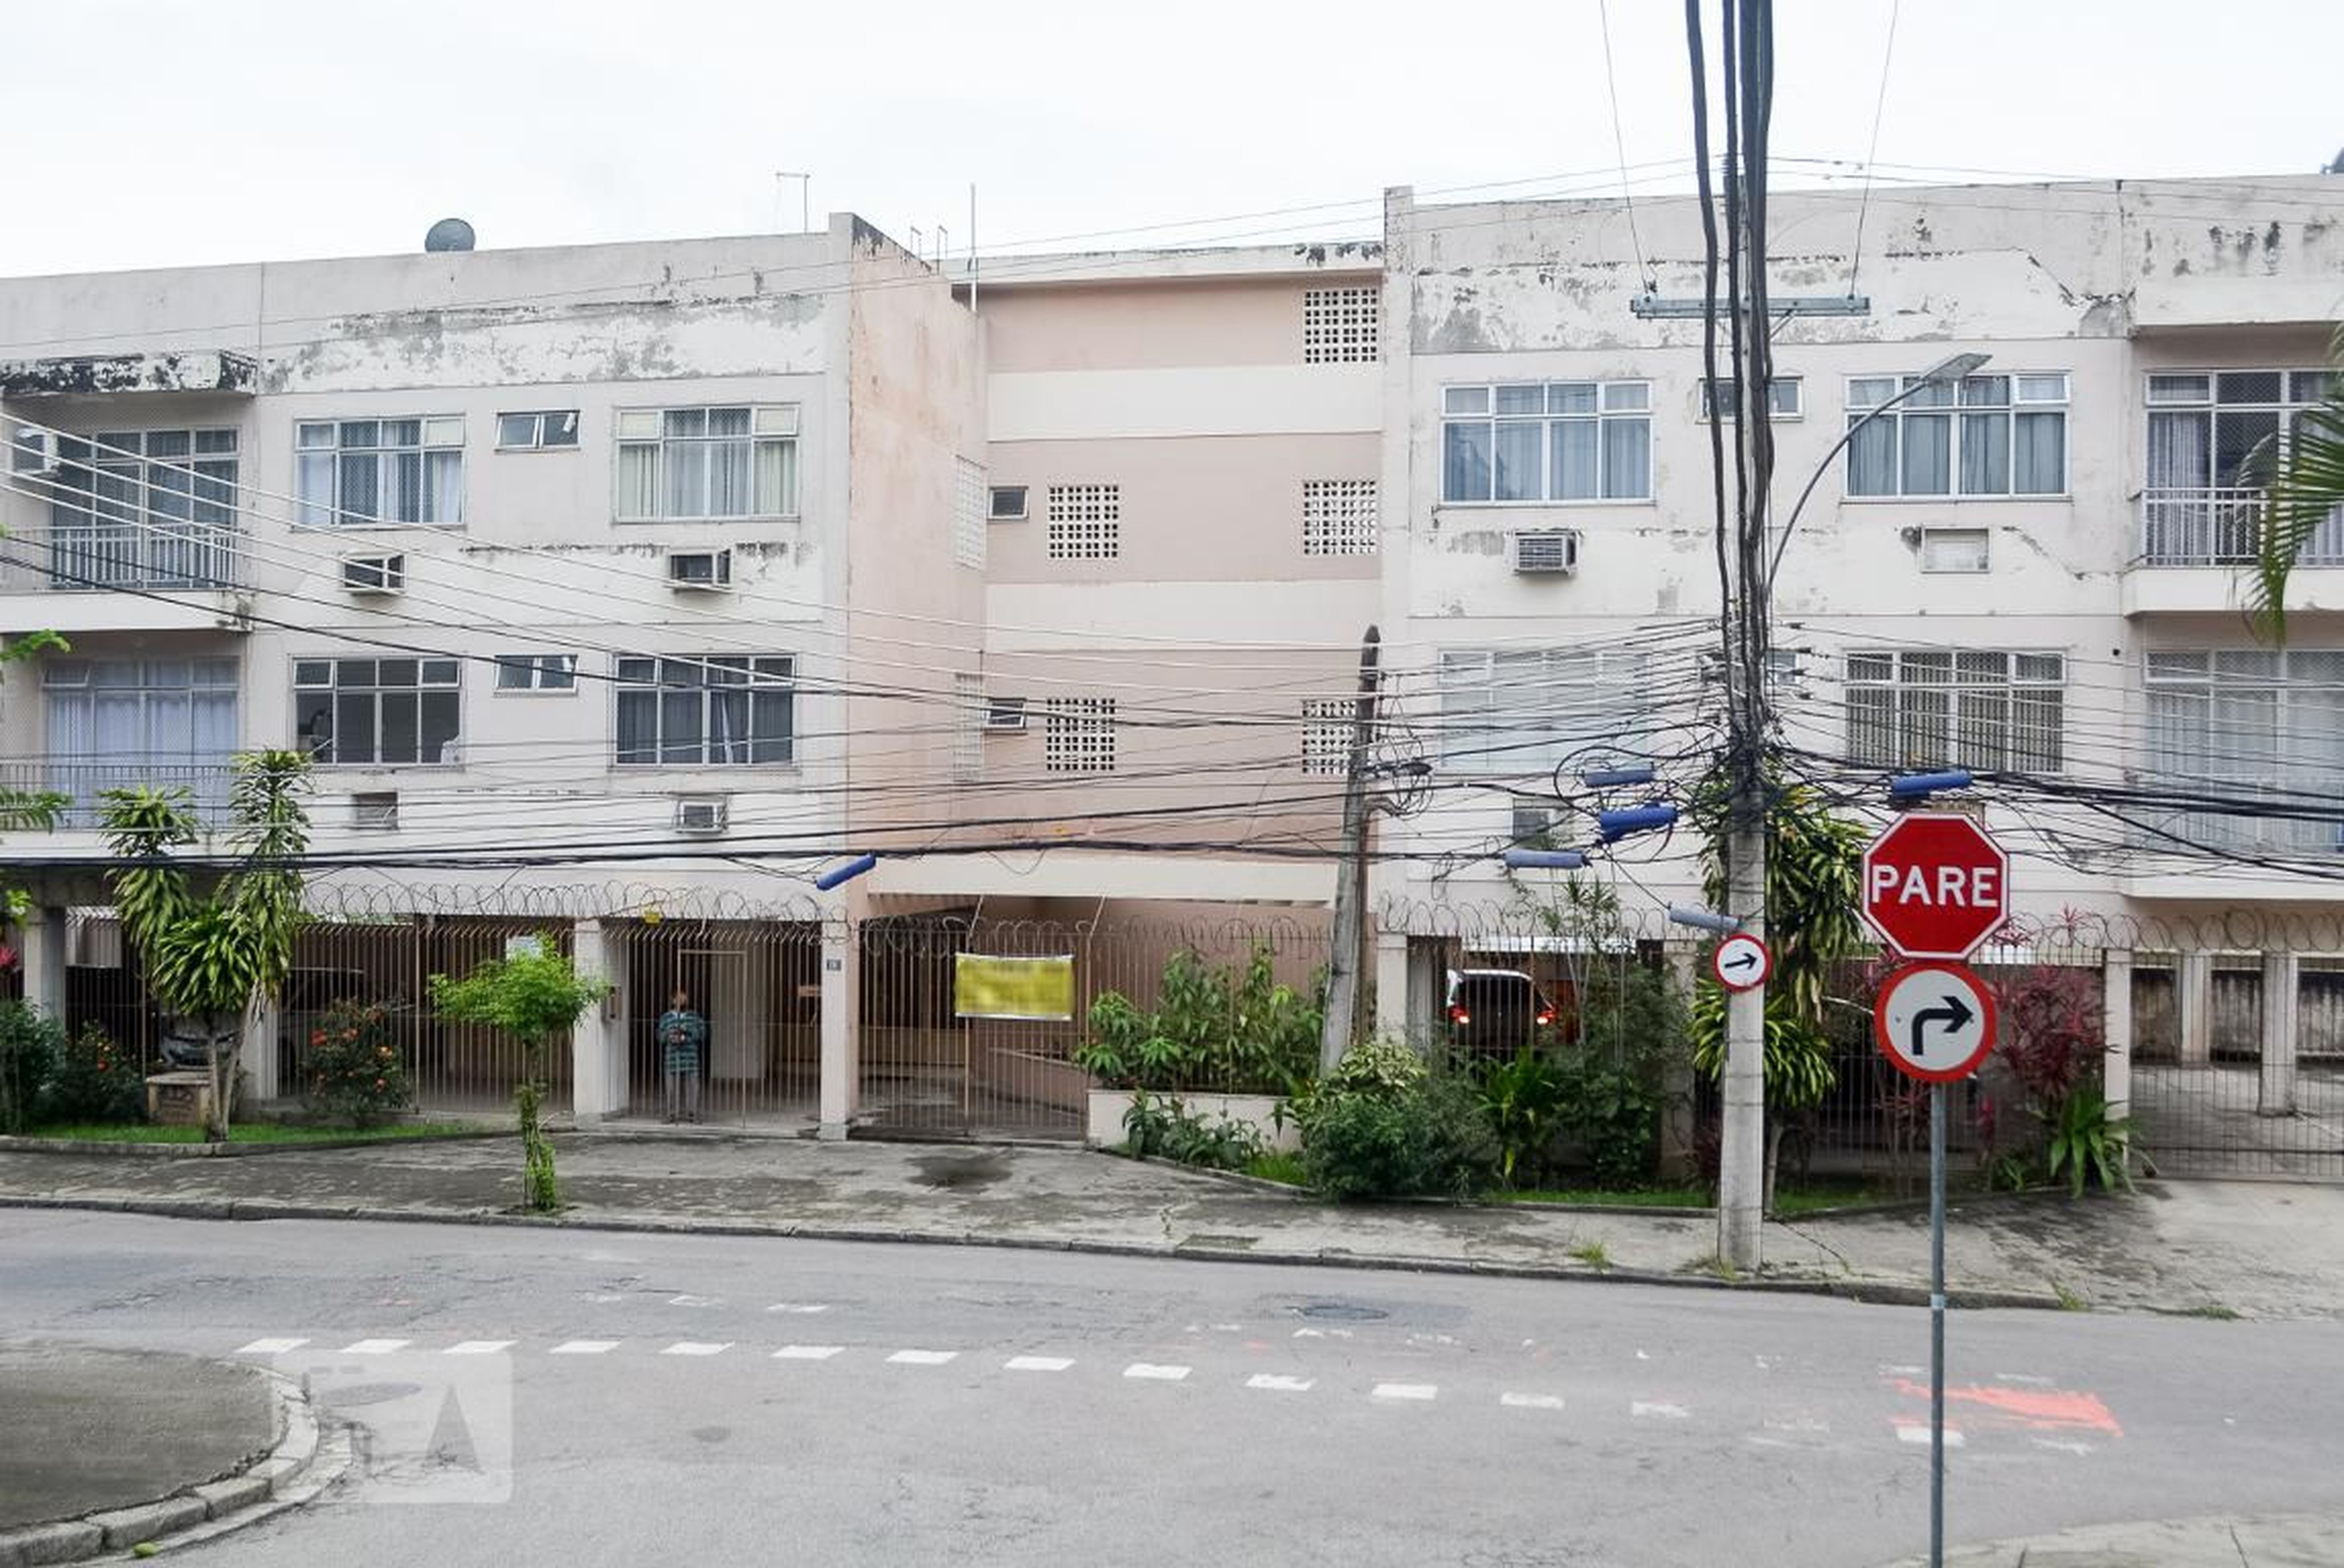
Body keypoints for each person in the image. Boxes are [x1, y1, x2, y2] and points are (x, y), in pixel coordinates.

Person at [657, 989, 708, 1124]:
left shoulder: (694, 1016)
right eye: (679, 999)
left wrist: (688, 1032)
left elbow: (702, 1034)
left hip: (691, 1058)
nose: (681, 1001)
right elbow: (660, 1037)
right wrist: (669, 1036)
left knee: (693, 1088)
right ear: (673, 1000)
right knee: (671, 1089)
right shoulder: (666, 1017)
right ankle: (671, 1115)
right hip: (672, 1058)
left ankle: (693, 1115)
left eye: (684, 999)